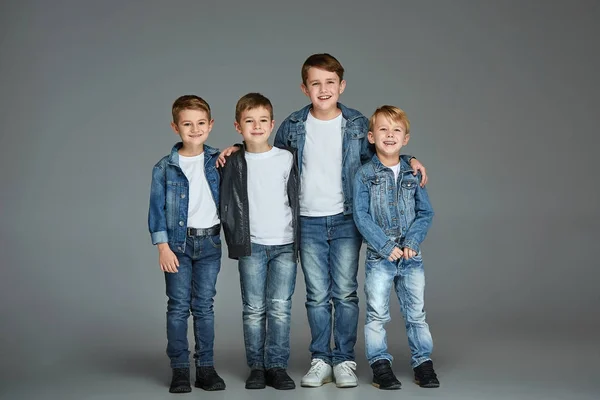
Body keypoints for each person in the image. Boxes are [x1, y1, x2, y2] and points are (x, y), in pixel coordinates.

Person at [273, 54, 428, 388]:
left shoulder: (358, 124)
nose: (324, 89)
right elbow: (270, 160)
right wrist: (231, 150)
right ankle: (319, 359)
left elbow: (383, 156)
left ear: (341, 86)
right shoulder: (293, 126)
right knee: (316, 295)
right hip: (308, 220)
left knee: (344, 293)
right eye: (316, 83)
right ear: (305, 88)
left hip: (347, 219)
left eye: (330, 82)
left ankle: (343, 358)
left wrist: (410, 158)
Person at [353, 105, 439, 390]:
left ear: (406, 138)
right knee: (377, 313)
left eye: (396, 130)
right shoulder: (364, 174)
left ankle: (422, 363)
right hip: (380, 257)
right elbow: (361, 215)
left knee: (416, 313)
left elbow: (425, 212)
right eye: (383, 130)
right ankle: (380, 365)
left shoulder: (413, 173)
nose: (389, 135)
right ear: (371, 136)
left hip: (412, 258)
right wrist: (384, 245)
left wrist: (412, 242)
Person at [220, 93, 299, 390]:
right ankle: (256, 366)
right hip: (251, 245)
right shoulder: (232, 160)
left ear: (272, 124)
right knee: (253, 308)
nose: (256, 126)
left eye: (263, 120)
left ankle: (277, 366)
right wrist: (236, 149)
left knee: (280, 307)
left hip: (285, 245)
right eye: (249, 121)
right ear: (238, 126)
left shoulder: (287, 157)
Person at [148, 95, 225, 393]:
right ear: (175, 127)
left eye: (201, 123)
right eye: (187, 124)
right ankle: (180, 369)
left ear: (211, 125)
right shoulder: (165, 167)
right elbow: (156, 211)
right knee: (178, 307)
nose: (195, 129)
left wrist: (234, 149)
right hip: (177, 246)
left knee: (204, 307)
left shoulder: (218, 160)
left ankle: (205, 368)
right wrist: (162, 247)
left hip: (210, 244)